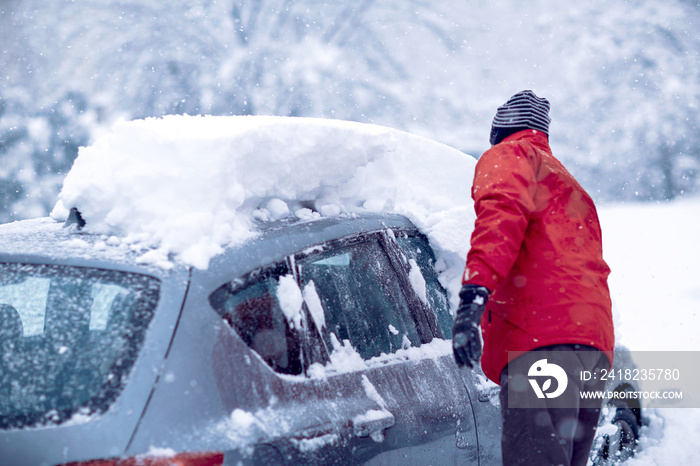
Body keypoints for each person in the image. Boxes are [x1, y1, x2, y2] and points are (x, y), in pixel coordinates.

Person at [452, 90, 615, 466]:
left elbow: (499, 223)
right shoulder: (568, 183)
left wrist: (472, 298)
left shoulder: (508, 155)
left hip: (542, 343)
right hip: (592, 348)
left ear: (500, 130)